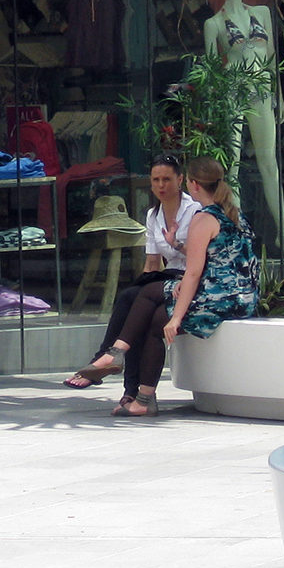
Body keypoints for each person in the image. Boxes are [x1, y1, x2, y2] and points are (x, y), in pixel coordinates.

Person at [99, 157, 260, 416]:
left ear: (193, 184)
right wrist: (176, 249)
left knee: (149, 293)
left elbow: (194, 272)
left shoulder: (203, 218)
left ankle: (117, 351)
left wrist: (176, 318)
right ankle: (143, 398)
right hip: (242, 298)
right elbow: (219, 263)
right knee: (154, 319)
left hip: (219, 301)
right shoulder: (233, 213)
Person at [64, 154, 202, 389]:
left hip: (190, 276)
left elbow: (202, 257)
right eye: (156, 179)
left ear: (180, 180)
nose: (161, 185)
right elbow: (151, 263)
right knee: (133, 301)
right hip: (167, 276)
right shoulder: (153, 215)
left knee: (136, 302)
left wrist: (177, 244)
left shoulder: (195, 211)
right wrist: (142, 288)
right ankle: (126, 388)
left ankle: (103, 361)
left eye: (167, 179)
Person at [206, 0, 284, 256]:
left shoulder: (262, 13)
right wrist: (211, 109)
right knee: (231, 166)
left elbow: (271, 60)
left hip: (262, 89)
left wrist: (279, 96)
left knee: (269, 164)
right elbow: (211, 70)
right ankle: (238, 237)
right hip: (232, 89)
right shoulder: (214, 23)